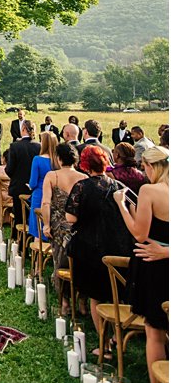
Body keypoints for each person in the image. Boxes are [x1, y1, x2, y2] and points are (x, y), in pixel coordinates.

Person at [113, 144, 169, 383]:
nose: (144, 174)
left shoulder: (150, 191)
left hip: (154, 268)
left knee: (155, 331)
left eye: (145, 168)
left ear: (152, 166)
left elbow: (139, 233)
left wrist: (122, 205)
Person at [65, 145, 134, 351]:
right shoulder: (118, 186)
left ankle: (104, 344)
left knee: (96, 297)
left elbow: (70, 217)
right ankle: (115, 337)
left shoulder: (82, 187)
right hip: (118, 246)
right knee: (115, 296)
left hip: (91, 248)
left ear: (85, 165)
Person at [41, 143, 85, 312]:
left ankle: (65, 301)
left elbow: (46, 203)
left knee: (60, 261)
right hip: (78, 227)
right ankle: (81, 301)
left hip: (58, 226)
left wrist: (46, 225)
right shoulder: (83, 178)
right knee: (79, 262)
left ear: (59, 159)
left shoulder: (52, 176)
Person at [6, 119, 40, 239]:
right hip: (34, 186)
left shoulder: (15, 146)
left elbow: (9, 169)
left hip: (19, 185)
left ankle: (19, 240)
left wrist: (13, 176)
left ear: (24, 129)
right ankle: (32, 237)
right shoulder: (38, 146)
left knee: (19, 214)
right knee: (33, 214)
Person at [28, 131, 59, 239]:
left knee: (38, 229)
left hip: (40, 194)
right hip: (55, 194)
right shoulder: (58, 160)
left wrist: (30, 186)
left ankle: (38, 251)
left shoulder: (37, 159)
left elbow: (33, 183)